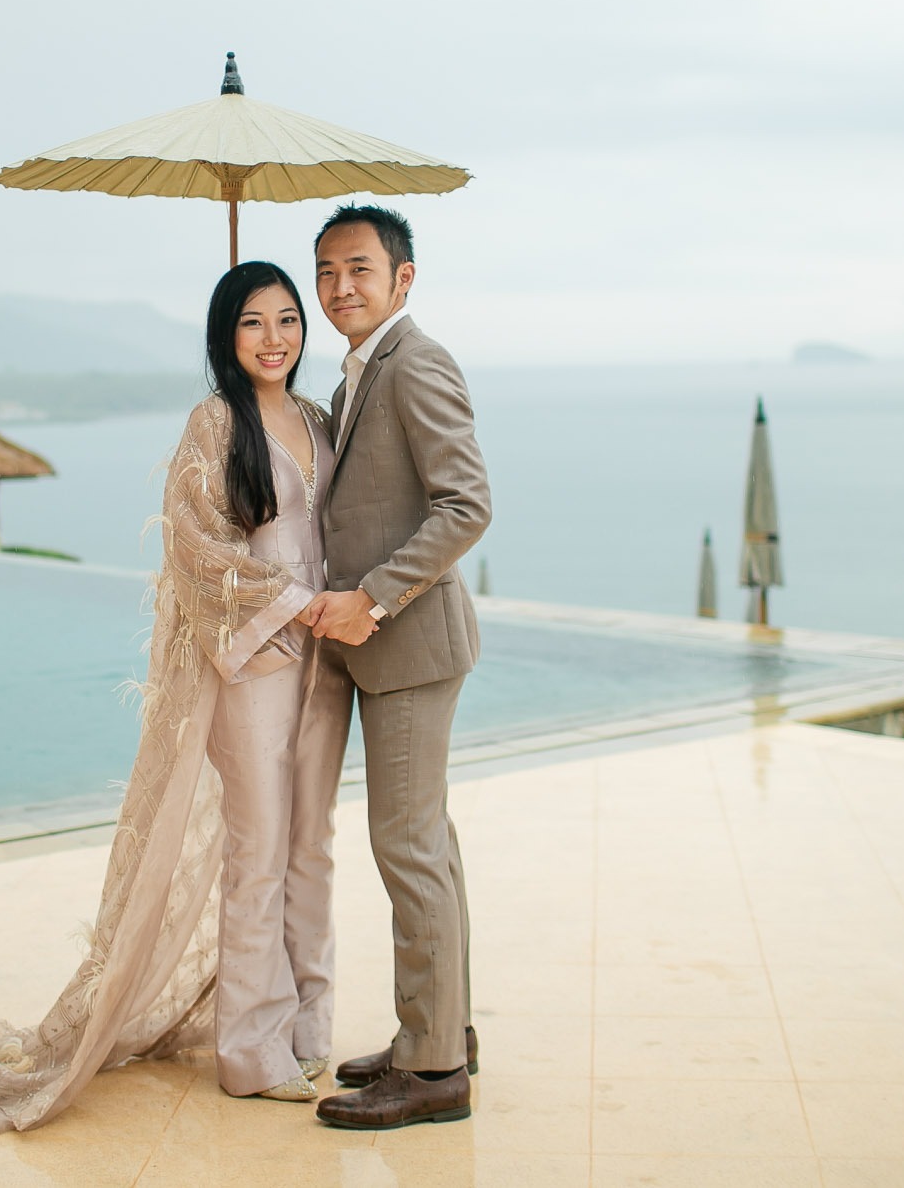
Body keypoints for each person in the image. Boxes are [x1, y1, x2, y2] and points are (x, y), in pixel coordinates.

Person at [0, 261, 354, 1137]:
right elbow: (195, 543)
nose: (274, 339)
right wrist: (285, 600)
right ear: (224, 337)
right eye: (252, 323)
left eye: (287, 320)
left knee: (313, 844)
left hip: (328, 656)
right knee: (258, 848)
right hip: (259, 653)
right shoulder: (215, 421)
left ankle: (309, 1030)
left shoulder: (316, 417)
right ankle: (252, 1050)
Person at [300, 204, 492, 1131]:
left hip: (408, 647)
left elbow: (466, 506)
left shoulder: (415, 363)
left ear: (402, 279)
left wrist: (369, 597)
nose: (342, 286)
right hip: (400, 651)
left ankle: (430, 1071)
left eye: (361, 269)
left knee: (406, 849)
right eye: (327, 271)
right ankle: (442, 1025)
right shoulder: (356, 376)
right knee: (431, 847)